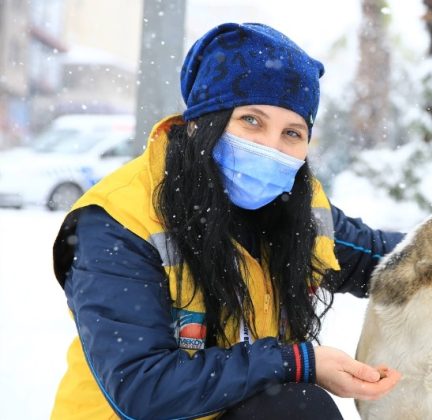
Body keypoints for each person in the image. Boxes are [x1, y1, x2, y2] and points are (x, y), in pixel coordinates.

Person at [51, 22, 404, 419]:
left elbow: (391, 261)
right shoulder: (120, 219)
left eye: (292, 132)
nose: (271, 146)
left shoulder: (297, 209)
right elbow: (142, 387)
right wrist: (298, 362)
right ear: (203, 121)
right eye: (251, 121)